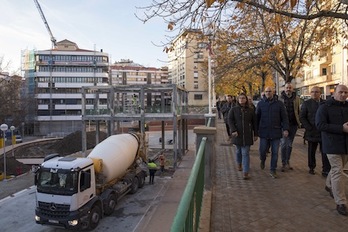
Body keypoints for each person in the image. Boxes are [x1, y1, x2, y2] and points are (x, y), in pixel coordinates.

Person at [315, 84, 348, 216]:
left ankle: (329, 184)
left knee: (337, 169)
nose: (344, 95)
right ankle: (341, 202)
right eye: (341, 92)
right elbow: (320, 125)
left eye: (346, 92)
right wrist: (341, 128)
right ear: (334, 93)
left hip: (346, 145)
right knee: (338, 171)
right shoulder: (324, 107)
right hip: (332, 144)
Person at [256, 87, 289, 178]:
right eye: (266, 91)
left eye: (270, 91)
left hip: (276, 132)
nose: (268, 93)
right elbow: (257, 118)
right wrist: (255, 131)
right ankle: (262, 160)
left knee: (275, 152)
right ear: (264, 93)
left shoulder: (279, 104)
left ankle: (272, 169)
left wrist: (285, 129)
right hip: (264, 131)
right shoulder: (260, 104)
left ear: (273, 92)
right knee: (262, 150)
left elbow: (284, 117)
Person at [300, 86, 330, 176]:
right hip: (311, 131)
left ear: (320, 93)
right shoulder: (306, 103)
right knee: (311, 151)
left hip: (323, 132)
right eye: (312, 92)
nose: (314, 93)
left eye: (316, 92)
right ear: (310, 93)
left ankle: (325, 169)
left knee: (325, 151)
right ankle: (311, 167)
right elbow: (302, 117)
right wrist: (308, 127)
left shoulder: (325, 103)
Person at [228, 93, 258, 179]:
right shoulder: (233, 109)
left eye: (243, 98)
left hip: (247, 134)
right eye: (240, 98)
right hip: (237, 134)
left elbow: (254, 123)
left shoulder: (251, 110)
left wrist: (256, 134)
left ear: (246, 100)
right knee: (238, 151)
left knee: (245, 153)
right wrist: (233, 130)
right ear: (238, 99)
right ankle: (239, 163)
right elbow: (230, 120)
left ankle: (246, 171)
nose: (241, 100)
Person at [279, 82, 301, 172]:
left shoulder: (296, 98)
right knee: (284, 144)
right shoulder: (280, 99)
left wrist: (299, 122)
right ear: (284, 89)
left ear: (292, 89)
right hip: (283, 125)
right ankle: (283, 163)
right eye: (287, 87)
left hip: (293, 124)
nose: (288, 89)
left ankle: (287, 161)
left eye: (290, 88)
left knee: (290, 144)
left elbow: (298, 110)